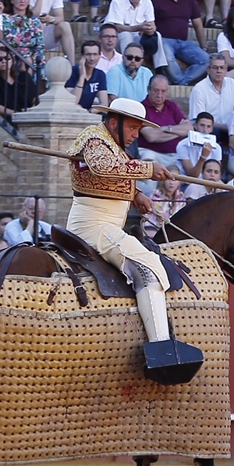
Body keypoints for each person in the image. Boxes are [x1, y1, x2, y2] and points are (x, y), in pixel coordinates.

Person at [67, 97, 203, 375]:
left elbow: (105, 181)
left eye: (139, 129)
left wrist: (135, 194)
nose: (135, 134)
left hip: (103, 225)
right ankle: (162, 350)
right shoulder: (94, 139)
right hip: (95, 227)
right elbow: (102, 168)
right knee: (149, 266)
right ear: (114, 122)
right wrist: (148, 169)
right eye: (132, 127)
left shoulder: (111, 142)